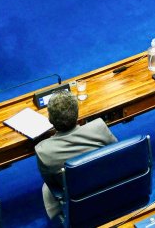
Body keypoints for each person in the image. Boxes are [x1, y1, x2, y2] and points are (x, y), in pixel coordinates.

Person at [35, 91, 117, 221]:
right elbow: (116, 154)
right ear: (77, 113)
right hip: (109, 188)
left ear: (50, 119)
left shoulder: (43, 151)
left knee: (46, 189)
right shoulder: (99, 127)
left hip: (77, 201)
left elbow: (52, 184)